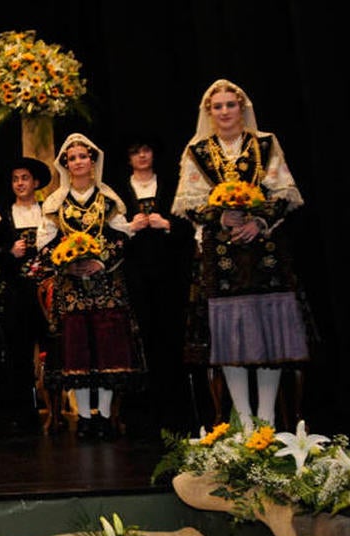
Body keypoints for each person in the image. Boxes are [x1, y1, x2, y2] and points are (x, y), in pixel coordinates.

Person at [170, 78, 309, 432]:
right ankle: (243, 420)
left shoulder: (265, 144)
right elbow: (189, 202)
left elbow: (284, 192)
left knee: (268, 335)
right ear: (209, 112)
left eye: (230, 105)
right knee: (229, 337)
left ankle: (267, 419)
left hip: (265, 250)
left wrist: (259, 221)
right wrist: (221, 215)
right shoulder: (197, 152)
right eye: (217, 107)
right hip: (221, 254)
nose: (224, 112)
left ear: (242, 108)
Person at [37, 133, 146, 440]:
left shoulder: (109, 200)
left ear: (93, 161)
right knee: (77, 352)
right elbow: (45, 245)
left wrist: (100, 261)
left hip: (106, 285)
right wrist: (67, 262)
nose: (78, 162)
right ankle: (85, 418)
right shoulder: (55, 203)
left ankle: (106, 417)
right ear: (65, 164)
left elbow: (122, 238)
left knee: (108, 349)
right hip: (71, 289)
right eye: (72, 158)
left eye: (83, 156)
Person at [115, 134, 194, 434]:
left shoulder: (173, 186)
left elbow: (188, 227)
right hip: (135, 275)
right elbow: (110, 232)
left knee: (169, 339)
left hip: (169, 274)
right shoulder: (120, 192)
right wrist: (129, 229)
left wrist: (168, 225)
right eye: (136, 151)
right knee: (140, 340)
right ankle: (142, 415)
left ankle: (176, 413)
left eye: (146, 150)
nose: (142, 156)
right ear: (129, 158)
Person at [0, 156, 53, 435]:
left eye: (25, 178)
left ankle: (57, 411)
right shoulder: (2, 217)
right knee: (17, 355)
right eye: (16, 179)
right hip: (16, 294)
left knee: (54, 351)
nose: (20, 183)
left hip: (47, 292)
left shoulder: (49, 212)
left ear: (36, 182)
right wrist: (9, 254)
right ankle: (23, 414)